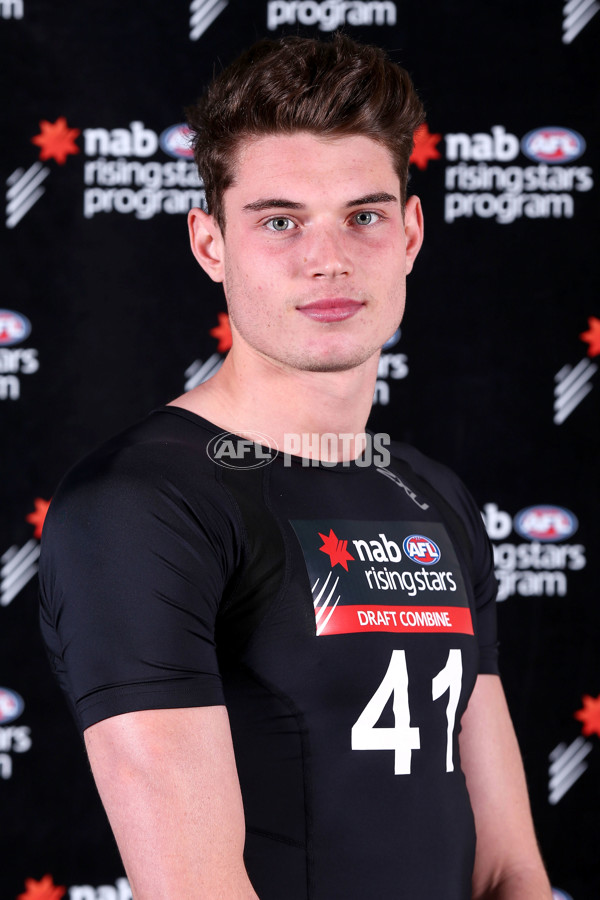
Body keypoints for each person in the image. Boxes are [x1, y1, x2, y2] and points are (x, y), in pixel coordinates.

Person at [40, 33, 552, 900]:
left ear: (410, 233)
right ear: (210, 243)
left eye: (364, 216)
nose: (329, 259)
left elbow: (508, 870)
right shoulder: (141, 504)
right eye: (280, 221)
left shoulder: (433, 495)